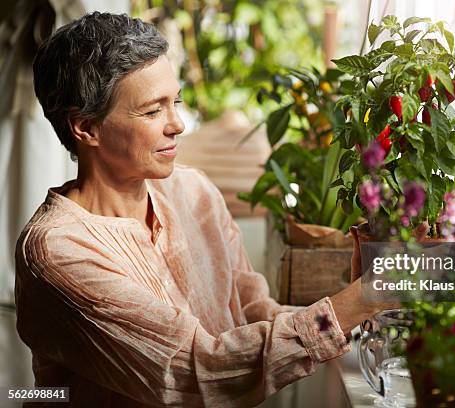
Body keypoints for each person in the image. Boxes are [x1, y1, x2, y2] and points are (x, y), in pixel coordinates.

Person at [14, 12, 394, 407]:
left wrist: (355, 307)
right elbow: (197, 368)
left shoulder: (193, 191)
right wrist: (364, 297)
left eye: (175, 102)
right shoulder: (58, 251)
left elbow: (251, 311)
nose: (177, 124)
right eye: (152, 110)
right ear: (86, 128)